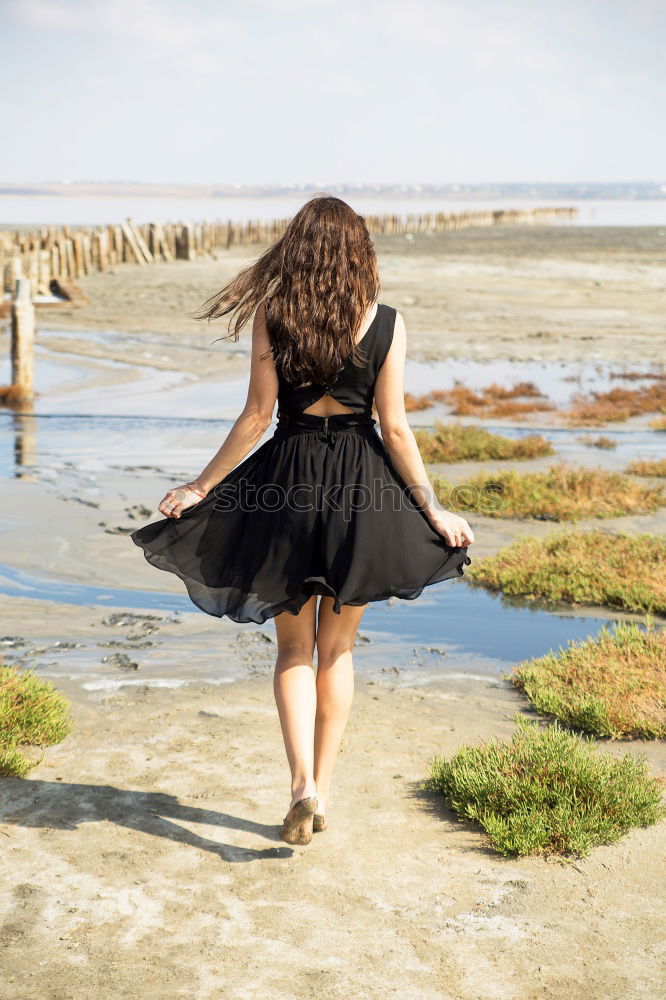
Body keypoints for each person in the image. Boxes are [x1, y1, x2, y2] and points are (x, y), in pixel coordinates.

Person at [130, 195, 474, 846]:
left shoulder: (273, 314)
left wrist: (201, 486)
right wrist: (431, 507)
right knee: (337, 649)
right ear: (358, 253)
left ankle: (301, 787)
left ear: (298, 249)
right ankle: (325, 786)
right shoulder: (387, 322)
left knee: (293, 648)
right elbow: (395, 428)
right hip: (359, 491)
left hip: (284, 483)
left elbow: (257, 417)